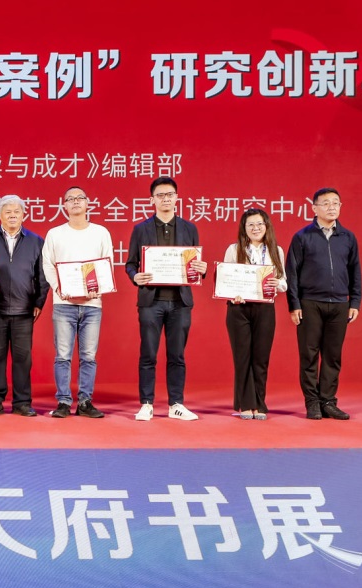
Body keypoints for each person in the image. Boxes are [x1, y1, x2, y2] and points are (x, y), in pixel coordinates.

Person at [125, 176, 208, 422]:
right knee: (148, 354)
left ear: (176, 198)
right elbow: (130, 264)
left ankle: (176, 404)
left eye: (169, 194)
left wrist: (201, 269)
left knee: (177, 355)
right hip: (151, 302)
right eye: (160, 195)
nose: (165, 199)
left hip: (180, 302)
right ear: (152, 199)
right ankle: (146, 404)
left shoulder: (189, 228)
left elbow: (194, 263)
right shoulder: (140, 229)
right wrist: (135, 276)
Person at [286, 187, 362, 421]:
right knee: (309, 355)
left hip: (339, 304)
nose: (332, 207)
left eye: (336, 203)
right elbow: (292, 273)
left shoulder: (348, 237)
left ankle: (328, 401)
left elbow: (355, 270)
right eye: (326, 203)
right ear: (314, 208)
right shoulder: (302, 236)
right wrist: (294, 304)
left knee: (332, 356)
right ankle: (312, 402)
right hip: (310, 303)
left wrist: (355, 301)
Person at [41, 186, 113, 419]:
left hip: (93, 304)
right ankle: (63, 401)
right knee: (63, 355)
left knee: (88, 356)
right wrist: (59, 288)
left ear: (88, 202)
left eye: (79, 198)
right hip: (64, 304)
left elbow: (107, 264)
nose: (75, 202)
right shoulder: (55, 234)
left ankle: (85, 402)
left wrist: (98, 288)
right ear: (64, 205)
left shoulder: (101, 232)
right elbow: (47, 264)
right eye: (70, 199)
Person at [0, 195, 48, 417]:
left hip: (24, 309)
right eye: (7, 212)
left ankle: (22, 402)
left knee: (23, 359)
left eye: (17, 212)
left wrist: (39, 302)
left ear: (24, 215)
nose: (12, 216)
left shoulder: (36, 241)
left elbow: (42, 276)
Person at [223, 208, 287, 421]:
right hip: (239, 308)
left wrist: (277, 283)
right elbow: (225, 279)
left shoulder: (276, 250)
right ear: (244, 228)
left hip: (265, 307)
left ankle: (259, 403)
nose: (255, 228)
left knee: (260, 357)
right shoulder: (234, 249)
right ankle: (245, 404)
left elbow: (284, 282)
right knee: (242, 357)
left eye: (259, 224)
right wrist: (232, 294)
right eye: (250, 224)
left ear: (266, 226)